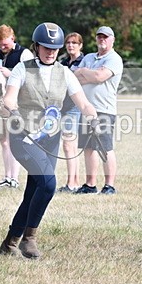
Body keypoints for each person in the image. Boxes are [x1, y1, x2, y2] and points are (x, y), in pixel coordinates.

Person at [0, 22, 99, 259]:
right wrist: (12, 111)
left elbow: (82, 102)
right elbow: (9, 98)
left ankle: (9, 243)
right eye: (45, 47)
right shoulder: (23, 69)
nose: (51, 52)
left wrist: (92, 117)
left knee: (34, 191)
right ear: (36, 46)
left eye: (54, 48)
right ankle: (29, 240)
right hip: (23, 137)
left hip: (49, 139)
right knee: (49, 184)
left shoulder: (65, 73)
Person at [73, 26, 123, 195]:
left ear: (112, 39)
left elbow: (99, 77)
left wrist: (84, 72)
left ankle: (109, 185)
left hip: (104, 109)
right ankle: (90, 184)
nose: (102, 40)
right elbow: (75, 78)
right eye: (99, 37)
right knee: (88, 147)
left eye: (106, 37)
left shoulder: (114, 59)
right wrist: (90, 75)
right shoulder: (88, 57)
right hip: (86, 108)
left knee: (104, 147)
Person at [0, 24, 34, 188]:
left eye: (5, 43)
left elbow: (31, 78)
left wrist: (9, 73)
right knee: (3, 141)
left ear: (12, 38)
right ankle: (7, 176)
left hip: (15, 103)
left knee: (13, 140)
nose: (2, 47)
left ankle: (14, 179)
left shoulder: (24, 54)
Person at [57, 32, 85, 193]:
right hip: (62, 106)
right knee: (70, 146)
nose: (71, 45)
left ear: (80, 45)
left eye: (74, 43)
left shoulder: (84, 61)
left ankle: (71, 183)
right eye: (68, 43)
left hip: (74, 106)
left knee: (69, 145)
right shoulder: (63, 62)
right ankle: (74, 181)